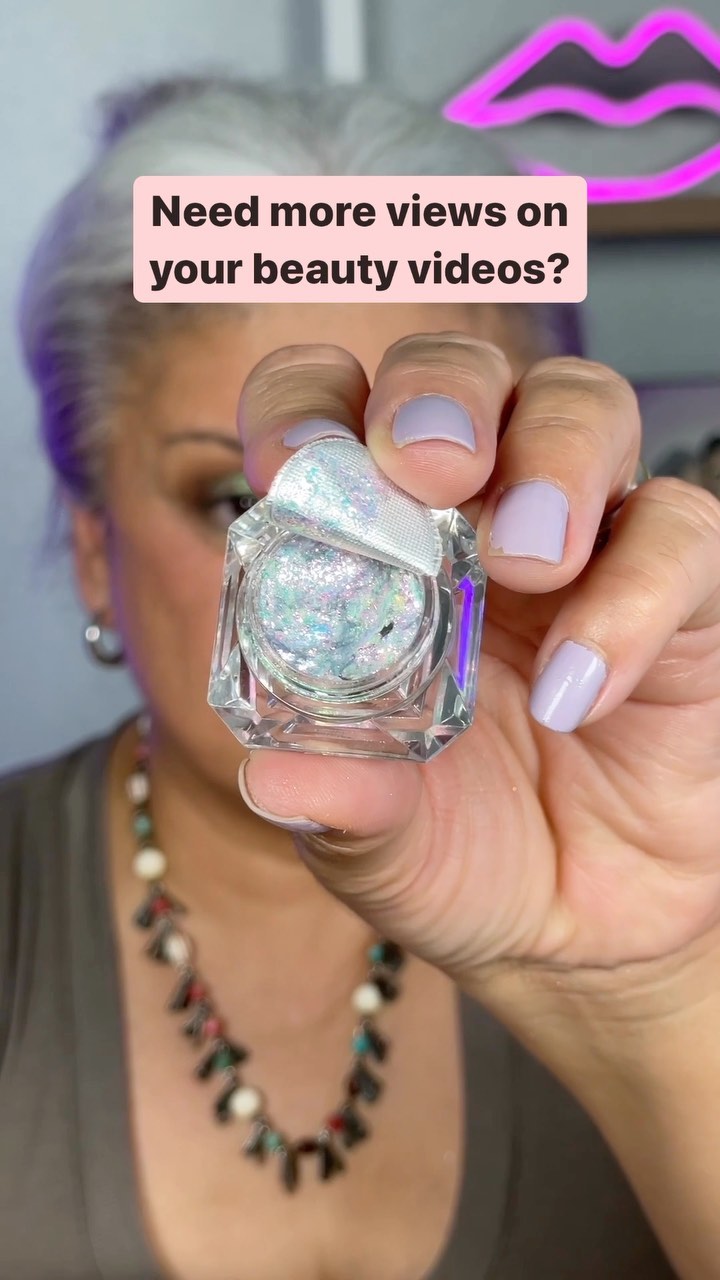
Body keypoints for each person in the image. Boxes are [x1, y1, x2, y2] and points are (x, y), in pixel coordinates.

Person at [2, 76, 719, 1280]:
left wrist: (666, 994)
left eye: (427, 506)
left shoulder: (667, 881)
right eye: (242, 498)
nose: (344, 585)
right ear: (91, 546)